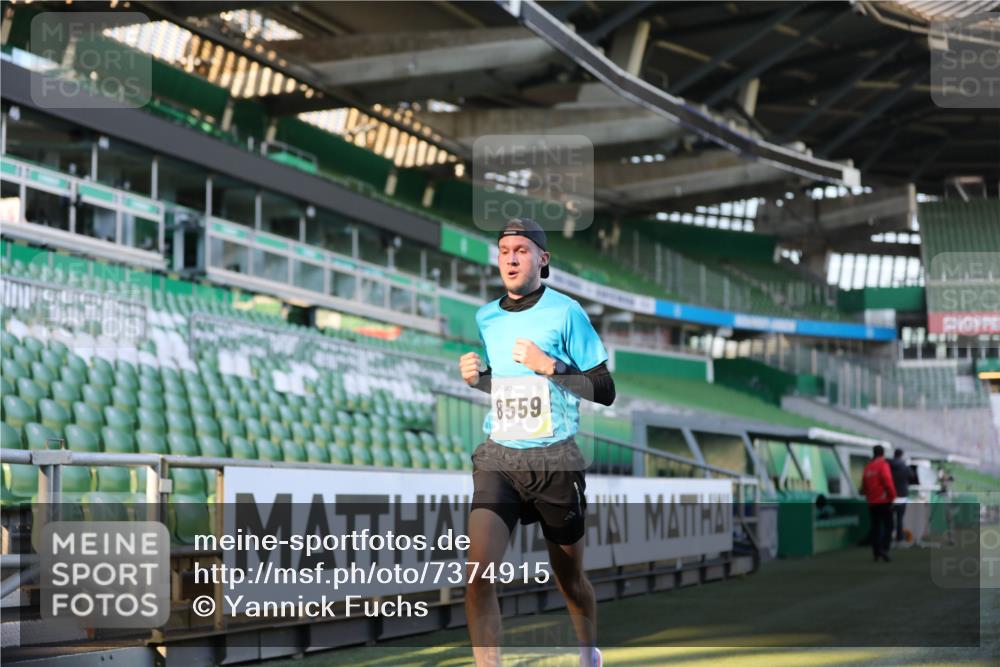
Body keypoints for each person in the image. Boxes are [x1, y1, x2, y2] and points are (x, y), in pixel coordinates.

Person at [458, 218, 615, 667]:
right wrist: (479, 380)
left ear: (542, 259)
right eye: (504, 249)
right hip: (499, 457)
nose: (510, 256)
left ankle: (588, 654)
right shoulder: (486, 316)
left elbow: (604, 388)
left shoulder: (567, 313)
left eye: (521, 249)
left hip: (556, 461)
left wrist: (550, 366)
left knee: (569, 580)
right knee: (478, 576)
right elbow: (509, 387)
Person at [861, 445, 897, 562]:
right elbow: (887, 481)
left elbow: (864, 486)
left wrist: (869, 497)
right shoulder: (883, 465)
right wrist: (892, 497)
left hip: (872, 502)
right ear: (883, 454)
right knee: (889, 526)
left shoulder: (868, 467)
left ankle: (876, 552)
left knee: (875, 527)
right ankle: (884, 549)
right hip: (884, 501)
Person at [889, 448, 910, 543]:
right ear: (901, 455)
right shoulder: (905, 466)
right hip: (902, 496)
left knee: (889, 518)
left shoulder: (888, 464)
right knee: (900, 518)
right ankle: (899, 538)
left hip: (890, 496)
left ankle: (888, 537)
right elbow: (911, 476)